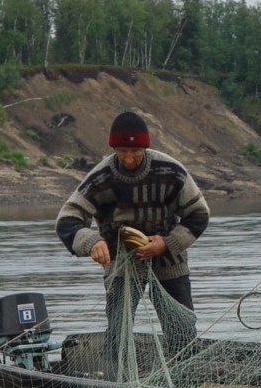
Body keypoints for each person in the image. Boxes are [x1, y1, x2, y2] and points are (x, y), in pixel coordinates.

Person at [56, 110, 210, 362]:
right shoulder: (100, 178)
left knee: (182, 333)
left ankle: (187, 380)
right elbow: (67, 220)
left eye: (135, 151)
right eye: (122, 151)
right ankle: (115, 380)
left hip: (169, 262)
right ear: (113, 149)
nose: (128, 158)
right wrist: (92, 242)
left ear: (145, 148)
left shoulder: (171, 171)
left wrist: (167, 243)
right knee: (118, 334)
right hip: (121, 265)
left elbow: (199, 214)